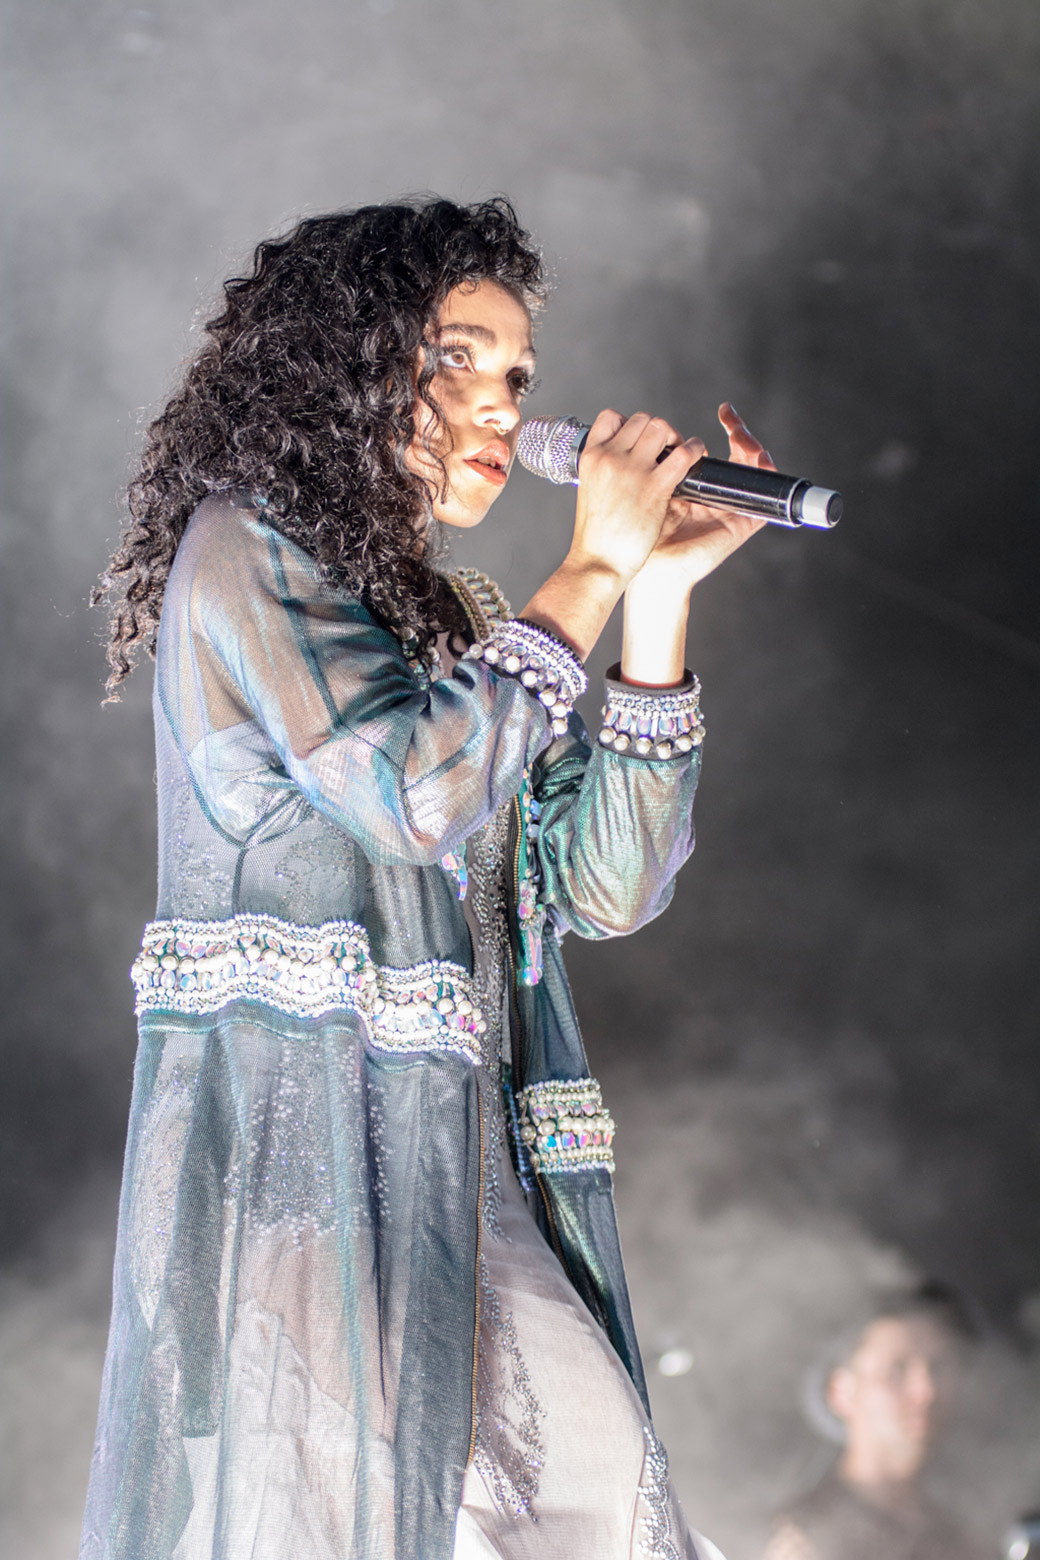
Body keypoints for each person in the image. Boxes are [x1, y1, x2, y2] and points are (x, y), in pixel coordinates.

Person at [81, 195, 768, 1560]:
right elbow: (411, 791)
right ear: (342, 362)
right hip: (317, 1190)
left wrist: (652, 597)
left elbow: (603, 883)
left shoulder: (468, 621)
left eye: (519, 373)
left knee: (599, 1507)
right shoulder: (245, 553)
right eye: (460, 359)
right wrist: (590, 563)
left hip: (467, 1177)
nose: (506, 405)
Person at [765, 1287, 988, 1560]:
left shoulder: (963, 1539)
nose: (926, 1391)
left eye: (937, 1367)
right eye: (898, 1369)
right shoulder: (797, 1537)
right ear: (841, 1392)